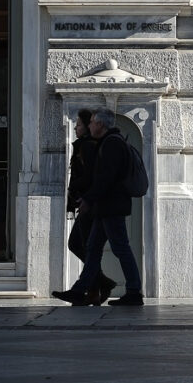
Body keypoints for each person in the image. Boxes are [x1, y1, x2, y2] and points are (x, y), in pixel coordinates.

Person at [53, 108, 143, 306]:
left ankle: (134, 291)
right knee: (93, 249)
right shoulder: (109, 142)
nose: (90, 125)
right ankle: (79, 290)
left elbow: (105, 179)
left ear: (101, 124)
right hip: (105, 207)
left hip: (111, 206)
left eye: (92, 122)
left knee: (121, 248)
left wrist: (88, 199)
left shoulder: (112, 144)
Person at [66, 108, 117, 306]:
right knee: (84, 246)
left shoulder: (86, 146)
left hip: (88, 203)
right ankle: (98, 287)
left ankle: (99, 286)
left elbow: (89, 176)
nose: (76, 128)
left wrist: (77, 189)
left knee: (81, 245)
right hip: (85, 202)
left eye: (78, 124)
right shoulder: (83, 145)